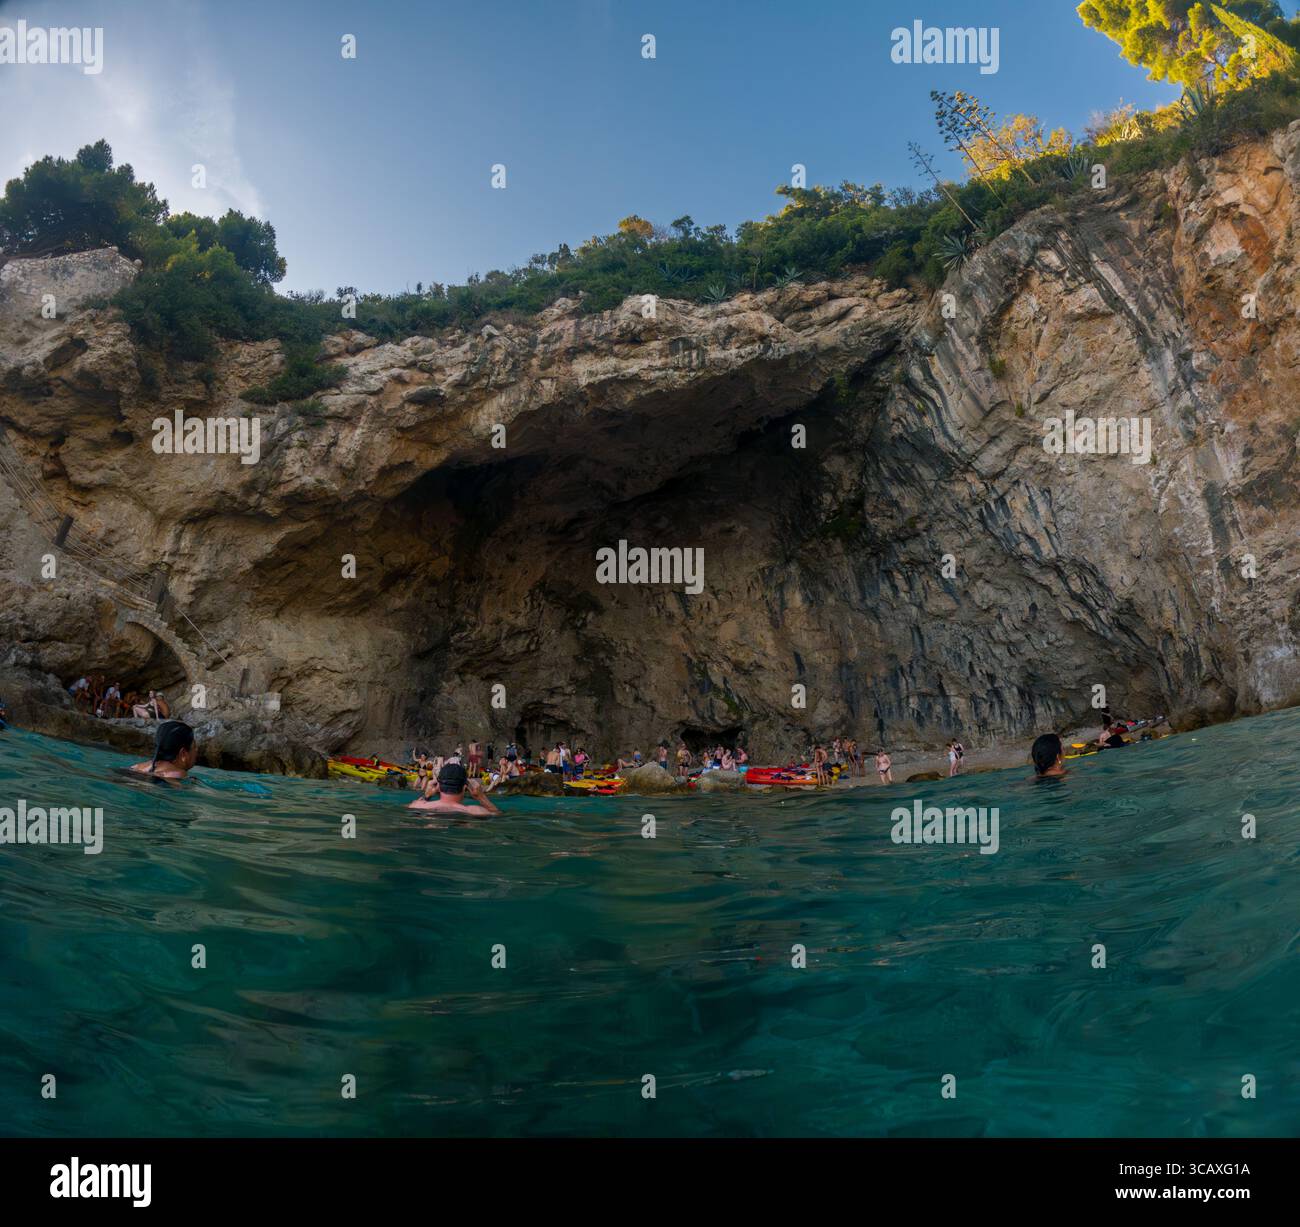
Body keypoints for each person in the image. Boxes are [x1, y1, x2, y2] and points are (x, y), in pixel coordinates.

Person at [409, 762, 502, 817]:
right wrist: (481, 797)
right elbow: (498, 816)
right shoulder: (476, 812)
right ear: (465, 787)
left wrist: (427, 796)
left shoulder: (418, 806)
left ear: (438, 786)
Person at [130, 719, 197, 779]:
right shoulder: (177, 774)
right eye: (194, 747)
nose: (196, 750)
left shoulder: (136, 767)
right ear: (183, 753)